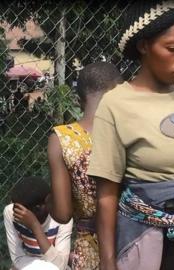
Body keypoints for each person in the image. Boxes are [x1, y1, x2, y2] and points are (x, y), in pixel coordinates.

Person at [86, 2, 174, 270]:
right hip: (156, 244)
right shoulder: (117, 105)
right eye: (173, 48)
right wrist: (108, 263)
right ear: (143, 46)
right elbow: (106, 194)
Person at [48, 62, 123, 270]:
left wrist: (50, 200)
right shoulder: (129, 131)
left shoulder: (61, 138)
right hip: (132, 238)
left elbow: (62, 214)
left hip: (88, 248)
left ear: (79, 101)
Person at [4, 176, 73, 270]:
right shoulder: (11, 213)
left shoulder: (62, 218)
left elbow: (61, 266)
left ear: (41, 207)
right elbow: (17, 259)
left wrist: (35, 226)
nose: (17, 213)